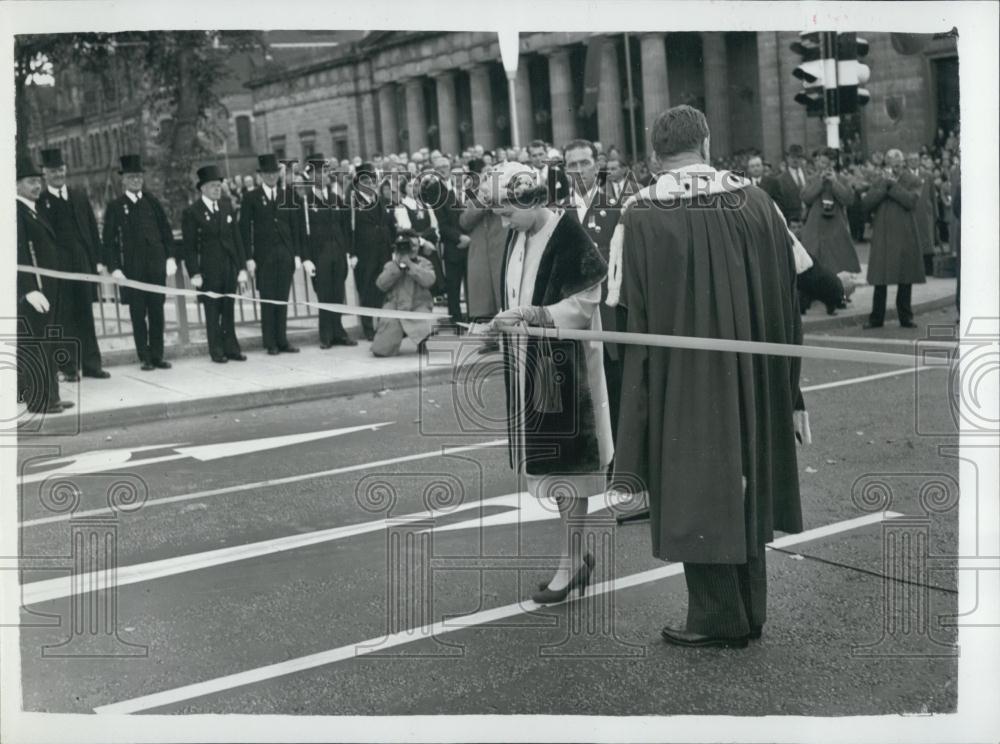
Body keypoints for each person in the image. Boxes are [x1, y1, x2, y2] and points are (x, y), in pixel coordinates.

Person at [611, 105, 804, 648]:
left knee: (695, 485)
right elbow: (793, 288)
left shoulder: (641, 212)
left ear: (654, 154)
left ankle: (717, 616)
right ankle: (750, 610)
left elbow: (624, 313)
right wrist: (787, 383)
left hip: (684, 378)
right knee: (745, 480)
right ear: (708, 141)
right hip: (755, 370)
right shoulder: (760, 201)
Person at [483, 161, 613, 606]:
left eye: (506, 212)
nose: (502, 222)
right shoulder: (519, 232)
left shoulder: (568, 232)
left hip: (565, 365)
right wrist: (499, 327)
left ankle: (571, 563)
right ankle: (574, 555)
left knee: (569, 467)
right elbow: (516, 294)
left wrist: (534, 316)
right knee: (556, 466)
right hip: (532, 363)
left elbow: (587, 300)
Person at [563, 138, 624, 444]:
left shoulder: (617, 210)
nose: (579, 171)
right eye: (571, 165)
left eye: (584, 163)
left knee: (612, 397)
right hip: (571, 321)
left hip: (607, 321)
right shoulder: (556, 215)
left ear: (597, 165)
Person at [36, 147, 109, 381]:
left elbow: (91, 229)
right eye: (52, 171)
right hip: (58, 268)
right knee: (64, 317)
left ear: (65, 170)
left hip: (83, 264)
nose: (57, 174)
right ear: (45, 174)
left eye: (60, 169)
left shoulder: (78, 196)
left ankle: (92, 365)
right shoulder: (41, 201)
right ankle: (69, 368)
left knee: (86, 314)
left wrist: (97, 260)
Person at [101, 154, 177, 370]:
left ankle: (157, 355)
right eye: (131, 177)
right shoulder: (116, 206)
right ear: (123, 180)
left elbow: (166, 232)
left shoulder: (152, 202)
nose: (136, 181)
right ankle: (144, 356)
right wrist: (114, 268)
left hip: (155, 267)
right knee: (137, 314)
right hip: (132, 270)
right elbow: (109, 242)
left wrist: (170, 257)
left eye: (139, 177)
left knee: (157, 312)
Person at [16, 156, 73, 415]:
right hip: (35, 289)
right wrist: (29, 289)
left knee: (48, 341)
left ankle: (52, 396)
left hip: (48, 286)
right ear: (16, 185)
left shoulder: (32, 208)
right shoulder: (15, 212)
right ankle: (40, 399)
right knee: (37, 343)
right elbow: (18, 254)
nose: (37, 186)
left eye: (38, 181)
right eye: (30, 182)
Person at [182, 164, 249, 363]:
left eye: (219, 185)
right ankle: (217, 350)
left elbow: (237, 239)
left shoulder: (226, 206)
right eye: (212, 186)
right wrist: (194, 272)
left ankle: (232, 348)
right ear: (202, 188)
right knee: (212, 311)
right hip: (208, 269)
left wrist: (242, 268)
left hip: (228, 266)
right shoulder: (193, 212)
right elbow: (189, 246)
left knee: (229, 308)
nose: (217, 189)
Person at [240, 153, 301, 355]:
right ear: (261, 175)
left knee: (282, 298)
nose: (271, 177)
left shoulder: (287, 195)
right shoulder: (251, 197)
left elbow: (295, 225)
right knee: (268, 299)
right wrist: (248, 258)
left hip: (285, 254)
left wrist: (296, 254)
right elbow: (244, 229)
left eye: (274, 173)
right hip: (264, 256)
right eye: (267, 173)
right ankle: (270, 342)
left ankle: (282, 340)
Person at [861, 149, 926, 329]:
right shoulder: (879, 179)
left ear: (903, 163)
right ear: (887, 164)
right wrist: (884, 185)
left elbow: (910, 201)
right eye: (891, 163)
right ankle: (876, 318)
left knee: (905, 277)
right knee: (879, 279)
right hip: (883, 234)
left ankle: (906, 317)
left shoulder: (913, 180)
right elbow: (866, 203)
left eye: (898, 163)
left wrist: (892, 186)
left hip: (905, 234)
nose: (895, 167)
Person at [300, 154, 357, 348]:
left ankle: (338, 331)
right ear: (312, 176)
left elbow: (345, 226)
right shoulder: (305, 201)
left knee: (337, 293)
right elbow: (303, 232)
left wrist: (348, 251)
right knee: (324, 294)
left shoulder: (336, 198)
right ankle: (326, 334)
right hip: (319, 254)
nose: (325, 176)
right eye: (320, 172)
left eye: (325, 172)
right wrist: (306, 258)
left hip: (338, 252)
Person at [459, 159, 506, 352]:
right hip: (480, 253)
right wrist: (482, 202)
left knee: (502, 295)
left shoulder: (505, 194)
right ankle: (489, 339)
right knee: (483, 298)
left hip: (501, 250)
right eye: (486, 175)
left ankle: (508, 336)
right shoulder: (472, 196)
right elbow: (464, 221)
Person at [370, 231, 437, 357]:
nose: (412, 249)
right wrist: (398, 267)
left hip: (418, 306)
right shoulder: (391, 264)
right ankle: (395, 334)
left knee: (427, 321)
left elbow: (430, 281)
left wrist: (410, 265)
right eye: (408, 245)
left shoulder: (425, 263)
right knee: (380, 351)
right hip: (395, 309)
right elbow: (380, 284)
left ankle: (423, 339)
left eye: (415, 246)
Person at [352, 162, 396, 341]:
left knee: (382, 288)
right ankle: (368, 326)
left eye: (372, 180)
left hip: (383, 251)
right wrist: (352, 253)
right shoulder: (353, 201)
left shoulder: (379, 200)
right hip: (365, 253)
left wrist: (391, 245)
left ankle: (382, 324)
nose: (370, 184)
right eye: (366, 181)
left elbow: (388, 223)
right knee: (367, 289)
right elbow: (350, 229)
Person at [800, 148, 860, 277]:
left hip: (836, 228)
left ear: (833, 163)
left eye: (826, 163)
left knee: (836, 268)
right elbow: (805, 197)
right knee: (814, 267)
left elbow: (849, 200)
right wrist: (820, 182)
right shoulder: (812, 179)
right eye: (820, 162)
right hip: (815, 228)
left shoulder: (841, 179)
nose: (822, 166)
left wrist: (835, 183)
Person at [424, 155, 469, 323]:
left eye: (445, 166)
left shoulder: (463, 187)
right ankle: (456, 320)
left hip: (471, 242)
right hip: (452, 244)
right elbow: (440, 222)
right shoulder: (433, 190)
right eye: (439, 167)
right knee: (454, 286)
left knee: (472, 285)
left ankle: (472, 319)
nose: (443, 169)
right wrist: (459, 237)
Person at [907, 151, 938, 276]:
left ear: (919, 160)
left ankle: (929, 269)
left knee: (927, 240)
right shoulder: (904, 176)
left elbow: (933, 196)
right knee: (913, 240)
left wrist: (936, 214)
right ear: (907, 162)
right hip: (912, 212)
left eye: (916, 159)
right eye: (911, 159)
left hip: (926, 213)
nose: (914, 161)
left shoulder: (927, 175)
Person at [762, 144, 807, 225]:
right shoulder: (780, 179)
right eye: (792, 157)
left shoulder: (809, 175)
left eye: (798, 157)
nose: (795, 160)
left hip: (809, 218)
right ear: (787, 158)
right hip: (791, 220)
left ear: (802, 159)